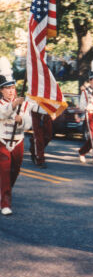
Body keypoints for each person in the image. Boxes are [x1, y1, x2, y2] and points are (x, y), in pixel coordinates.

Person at [0, 70, 32, 216]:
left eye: (12, 87)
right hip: (2, 141)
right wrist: (13, 105)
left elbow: (29, 123)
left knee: (15, 171)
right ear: (1, 90)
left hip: (18, 140)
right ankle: (5, 203)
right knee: (5, 172)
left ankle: (4, 191)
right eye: (7, 88)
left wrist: (22, 120)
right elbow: (3, 113)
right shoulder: (2, 104)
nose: (10, 91)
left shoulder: (23, 104)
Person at [29, 102, 52, 168]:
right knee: (38, 137)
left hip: (47, 112)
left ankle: (34, 147)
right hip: (36, 112)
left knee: (48, 136)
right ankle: (39, 159)